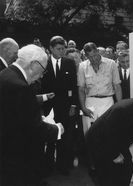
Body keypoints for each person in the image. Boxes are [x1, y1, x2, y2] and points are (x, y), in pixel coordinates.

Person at [0, 44, 64, 186]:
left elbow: (13, 114)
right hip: (17, 156)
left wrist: (33, 117)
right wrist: (57, 129)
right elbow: (33, 128)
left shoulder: (5, 75)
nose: (41, 76)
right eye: (42, 71)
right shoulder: (20, 87)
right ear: (34, 64)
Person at [41, 36, 79, 175]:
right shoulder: (43, 63)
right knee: (49, 137)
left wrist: (73, 105)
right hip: (48, 107)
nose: (62, 51)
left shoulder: (69, 63)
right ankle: (48, 166)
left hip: (65, 107)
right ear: (51, 48)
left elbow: (74, 86)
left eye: (63, 48)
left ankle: (62, 166)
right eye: (59, 49)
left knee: (65, 137)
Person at [78, 42, 122, 135]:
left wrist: (119, 106)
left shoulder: (111, 64)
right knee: (90, 133)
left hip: (107, 102)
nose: (94, 59)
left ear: (98, 51)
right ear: (86, 56)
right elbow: (81, 89)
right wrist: (83, 107)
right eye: (90, 57)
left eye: (95, 55)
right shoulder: (82, 66)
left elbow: (117, 86)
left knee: (108, 132)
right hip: (90, 102)